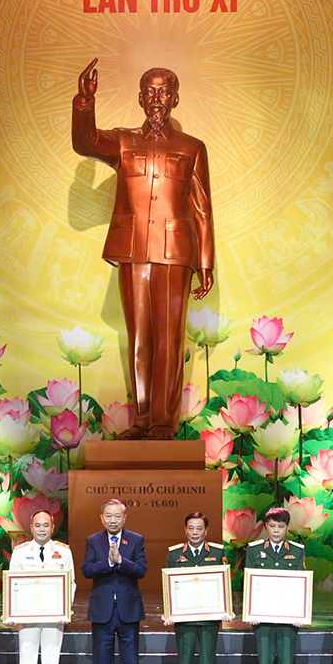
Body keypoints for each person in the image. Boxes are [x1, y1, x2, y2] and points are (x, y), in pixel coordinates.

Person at [71, 60, 214, 439]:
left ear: (175, 99)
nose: (156, 98)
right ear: (139, 98)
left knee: (169, 338)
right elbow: (85, 143)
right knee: (139, 338)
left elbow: (202, 207)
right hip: (132, 250)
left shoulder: (192, 147)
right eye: (150, 92)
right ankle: (142, 419)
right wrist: (84, 102)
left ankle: (164, 421)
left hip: (175, 253)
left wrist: (206, 261)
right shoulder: (123, 141)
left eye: (164, 92)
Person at [82, 498, 148, 664]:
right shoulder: (93, 541)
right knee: (103, 663)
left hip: (129, 610)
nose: (113, 520)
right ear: (102, 518)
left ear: (124, 518)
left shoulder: (137, 539)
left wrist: (121, 561)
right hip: (103, 610)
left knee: (130, 663)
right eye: (108, 516)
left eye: (117, 516)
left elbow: (141, 570)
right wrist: (108, 564)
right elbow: (87, 569)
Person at [7, 508, 75, 664]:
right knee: (27, 659)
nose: (42, 529)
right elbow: (12, 584)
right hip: (27, 615)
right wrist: (12, 611)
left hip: (54, 615)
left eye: (46, 525)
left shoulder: (63, 552)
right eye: (38, 525)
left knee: (51, 660)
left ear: (53, 527)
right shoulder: (20, 552)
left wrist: (65, 609)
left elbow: (70, 583)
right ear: (31, 528)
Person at [245, 507, 305, 664]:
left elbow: (302, 583)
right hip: (263, 616)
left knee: (286, 663)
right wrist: (251, 611)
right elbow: (249, 582)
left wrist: (300, 612)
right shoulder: (254, 550)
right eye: (272, 526)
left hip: (289, 617)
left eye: (281, 526)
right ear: (266, 527)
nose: (277, 530)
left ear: (287, 528)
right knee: (266, 661)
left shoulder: (297, 551)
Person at [164, 510, 224, 664]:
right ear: (185, 530)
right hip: (184, 618)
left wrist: (225, 608)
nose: (195, 532)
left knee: (207, 661)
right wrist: (169, 611)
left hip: (209, 617)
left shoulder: (217, 553)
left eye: (199, 528)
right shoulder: (174, 555)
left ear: (206, 531)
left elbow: (223, 583)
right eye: (191, 528)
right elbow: (168, 585)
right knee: (185, 661)